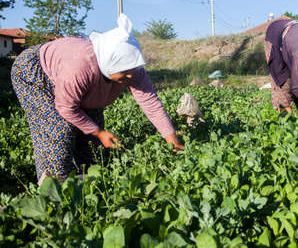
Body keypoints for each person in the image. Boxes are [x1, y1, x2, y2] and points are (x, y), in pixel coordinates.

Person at [11, 13, 184, 185]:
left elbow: (150, 103)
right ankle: (53, 189)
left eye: (133, 69)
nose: (130, 75)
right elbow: (66, 107)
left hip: (79, 83)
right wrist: (99, 132)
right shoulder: (80, 68)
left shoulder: (133, 70)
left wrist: (171, 139)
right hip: (36, 73)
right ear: (110, 63)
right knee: (58, 131)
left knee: (93, 148)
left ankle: (87, 187)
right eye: (124, 71)